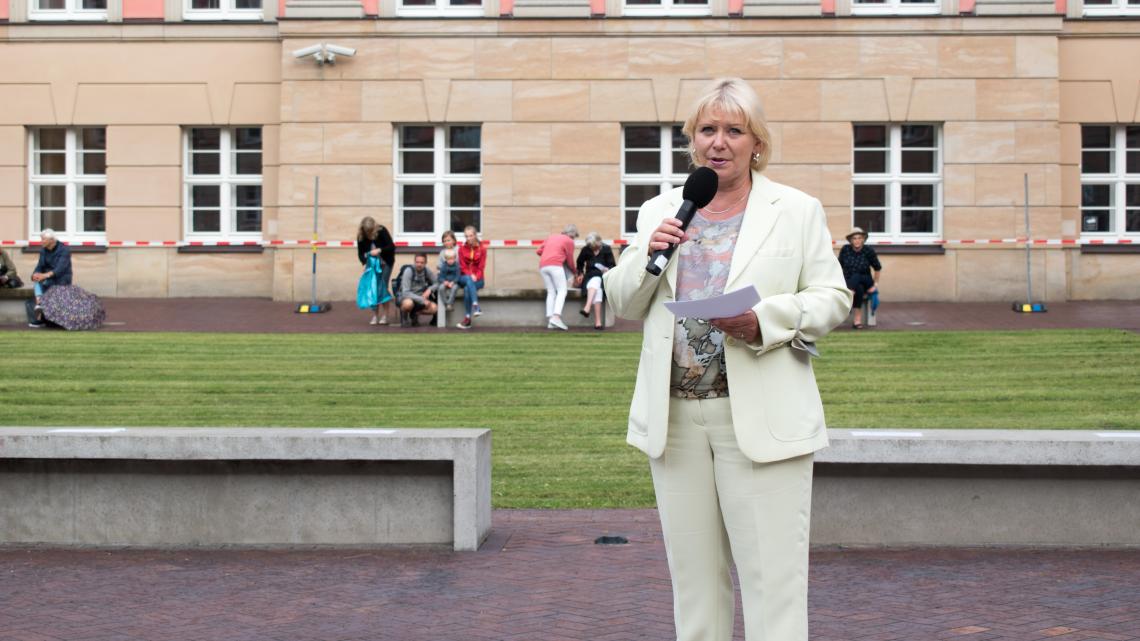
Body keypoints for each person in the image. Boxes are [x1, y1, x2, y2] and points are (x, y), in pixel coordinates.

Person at [603, 78, 851, 641]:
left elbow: (833, 298)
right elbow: (624, 302)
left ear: (756, 142)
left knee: (773, 583)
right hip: (676, 419)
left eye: (734, 130)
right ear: (692, 140)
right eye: (707, 130)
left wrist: (765, 319)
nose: (719, 142)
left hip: (762, 413)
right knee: (694, 586)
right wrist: (650, 252)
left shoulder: (796, 209)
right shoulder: (661, 210)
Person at [536, 224, 579, 331]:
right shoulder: (569, 241)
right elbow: (570, 260)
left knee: (551, 292)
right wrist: (575, 272)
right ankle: (556, 317)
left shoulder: (551, 237)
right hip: (555, 265)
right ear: (572, 235)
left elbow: (538, 251)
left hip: (543, 266)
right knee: (562, 291)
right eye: (574, 237)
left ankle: (550, 321)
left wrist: (549, 254)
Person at [837, 227, 881, 329]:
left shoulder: (868, 250)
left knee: (857, 276)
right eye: (854, 238)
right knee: (859, 289)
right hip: (850, 281)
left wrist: (875, 285)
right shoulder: (845, 249)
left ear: (863, 239)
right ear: (851, 240)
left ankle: (849, 294)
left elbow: (877, 268)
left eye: (859, 238)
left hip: (867, 280)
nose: (857, 240)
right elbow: (839, 267)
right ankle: (857, 320)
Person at [356, 216, 396, 326]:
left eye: (370, 231)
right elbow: (360, 253)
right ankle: (375, 315)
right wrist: (364, 262)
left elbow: (391, 247)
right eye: (367, 231)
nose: (369, 233)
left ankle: (385, 316)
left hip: (386, 262)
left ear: (374, 227)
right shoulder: (361, 236)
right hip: (371, 265)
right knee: (373, 289)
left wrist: (380, 250)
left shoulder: (381, 230)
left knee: (382, 287)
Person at [29, 228, 73, 326]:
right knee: (37, 281)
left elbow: (60, 269)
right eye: (41, 239)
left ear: (52, 240)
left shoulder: (64, 250)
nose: (41, 242)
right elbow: (40, 266)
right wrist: (35, 274)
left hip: (61, 279)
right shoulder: (43, 251)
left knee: (44, 282)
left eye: (43, 239)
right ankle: (39, 310)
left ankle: (40, 307)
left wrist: (44, 275)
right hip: (47, 278)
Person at [574, 232, 616, 330]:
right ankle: (598, 322)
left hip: (603, 276)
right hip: (589, 276)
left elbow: (613, 265)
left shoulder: (606, 249)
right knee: (597, 288)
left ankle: (587, 307)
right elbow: (579, 263)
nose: (593, 249)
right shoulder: (585, 249)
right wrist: (580, 273)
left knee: (597, 281)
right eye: (591, 247)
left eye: (595, 246)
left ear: (599, 242)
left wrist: (607, 269)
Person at [456, 225, 486, 330]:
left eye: (471, 236)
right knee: (468, 281)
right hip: (464, 277)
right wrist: (470, 275)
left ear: (475, 235)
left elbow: (481, 267)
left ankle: (467, 319)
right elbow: (462, 267)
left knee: (467, 289)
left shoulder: (482, 249)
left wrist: (476, 276)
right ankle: (476, 306)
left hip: (478, 280)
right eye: (466, 236)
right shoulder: (461, 249)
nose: (469, 238)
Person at [397, 253, 438, 327]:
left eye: (422, 262)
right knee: (408, 304)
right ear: (414, 261)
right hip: (406, 297)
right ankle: (404, 317)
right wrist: (422, 300)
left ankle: (414, 313)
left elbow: (437, 283)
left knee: (434, 308)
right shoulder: (409, 271)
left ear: (425, 263)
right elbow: (405, 292)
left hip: (419, 297)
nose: (419, 264)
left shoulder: (426, 271)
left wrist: (429, 290)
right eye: (417, 262)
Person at [437, 248, 461, 312]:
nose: (450, 261)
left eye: (452, 259)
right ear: (446, 259)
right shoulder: (444, 266)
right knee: (441, 288)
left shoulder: (457, 266)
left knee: (454, 288)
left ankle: (450, 303)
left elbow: (458, 276)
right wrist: (444, 281)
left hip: (454, 282)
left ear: (455, 258)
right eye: (448, 259)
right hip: (446, 282)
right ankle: (446, 303)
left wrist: (453, 282)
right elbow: (440, 276)